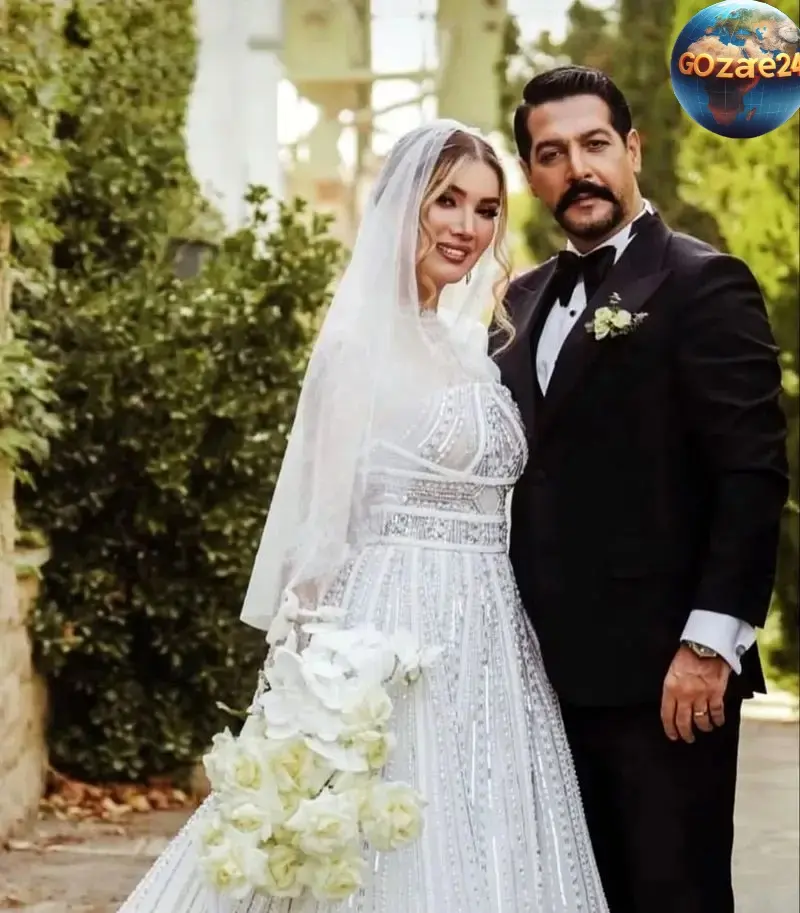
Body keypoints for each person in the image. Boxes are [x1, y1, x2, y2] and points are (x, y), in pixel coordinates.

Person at [116, 120, 609, 912]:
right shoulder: (357, 349)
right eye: (446, 200)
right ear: (403, 206)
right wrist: (299, 689)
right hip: (389, 634)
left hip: (492, 645)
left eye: (486, 209)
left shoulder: (472, 350)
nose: (467, 226)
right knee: (372, 844)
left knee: (488, 846)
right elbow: (322, 526)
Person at [494, 65, 789, 913]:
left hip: (665, 678)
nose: (577, 169)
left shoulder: (705, 282)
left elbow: (751, 474)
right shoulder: (517, 301)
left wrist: (708, 646)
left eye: (594, 144)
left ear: (632, 148)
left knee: (672, 896)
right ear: (532, 173)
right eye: (552, 153)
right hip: (537, 679)